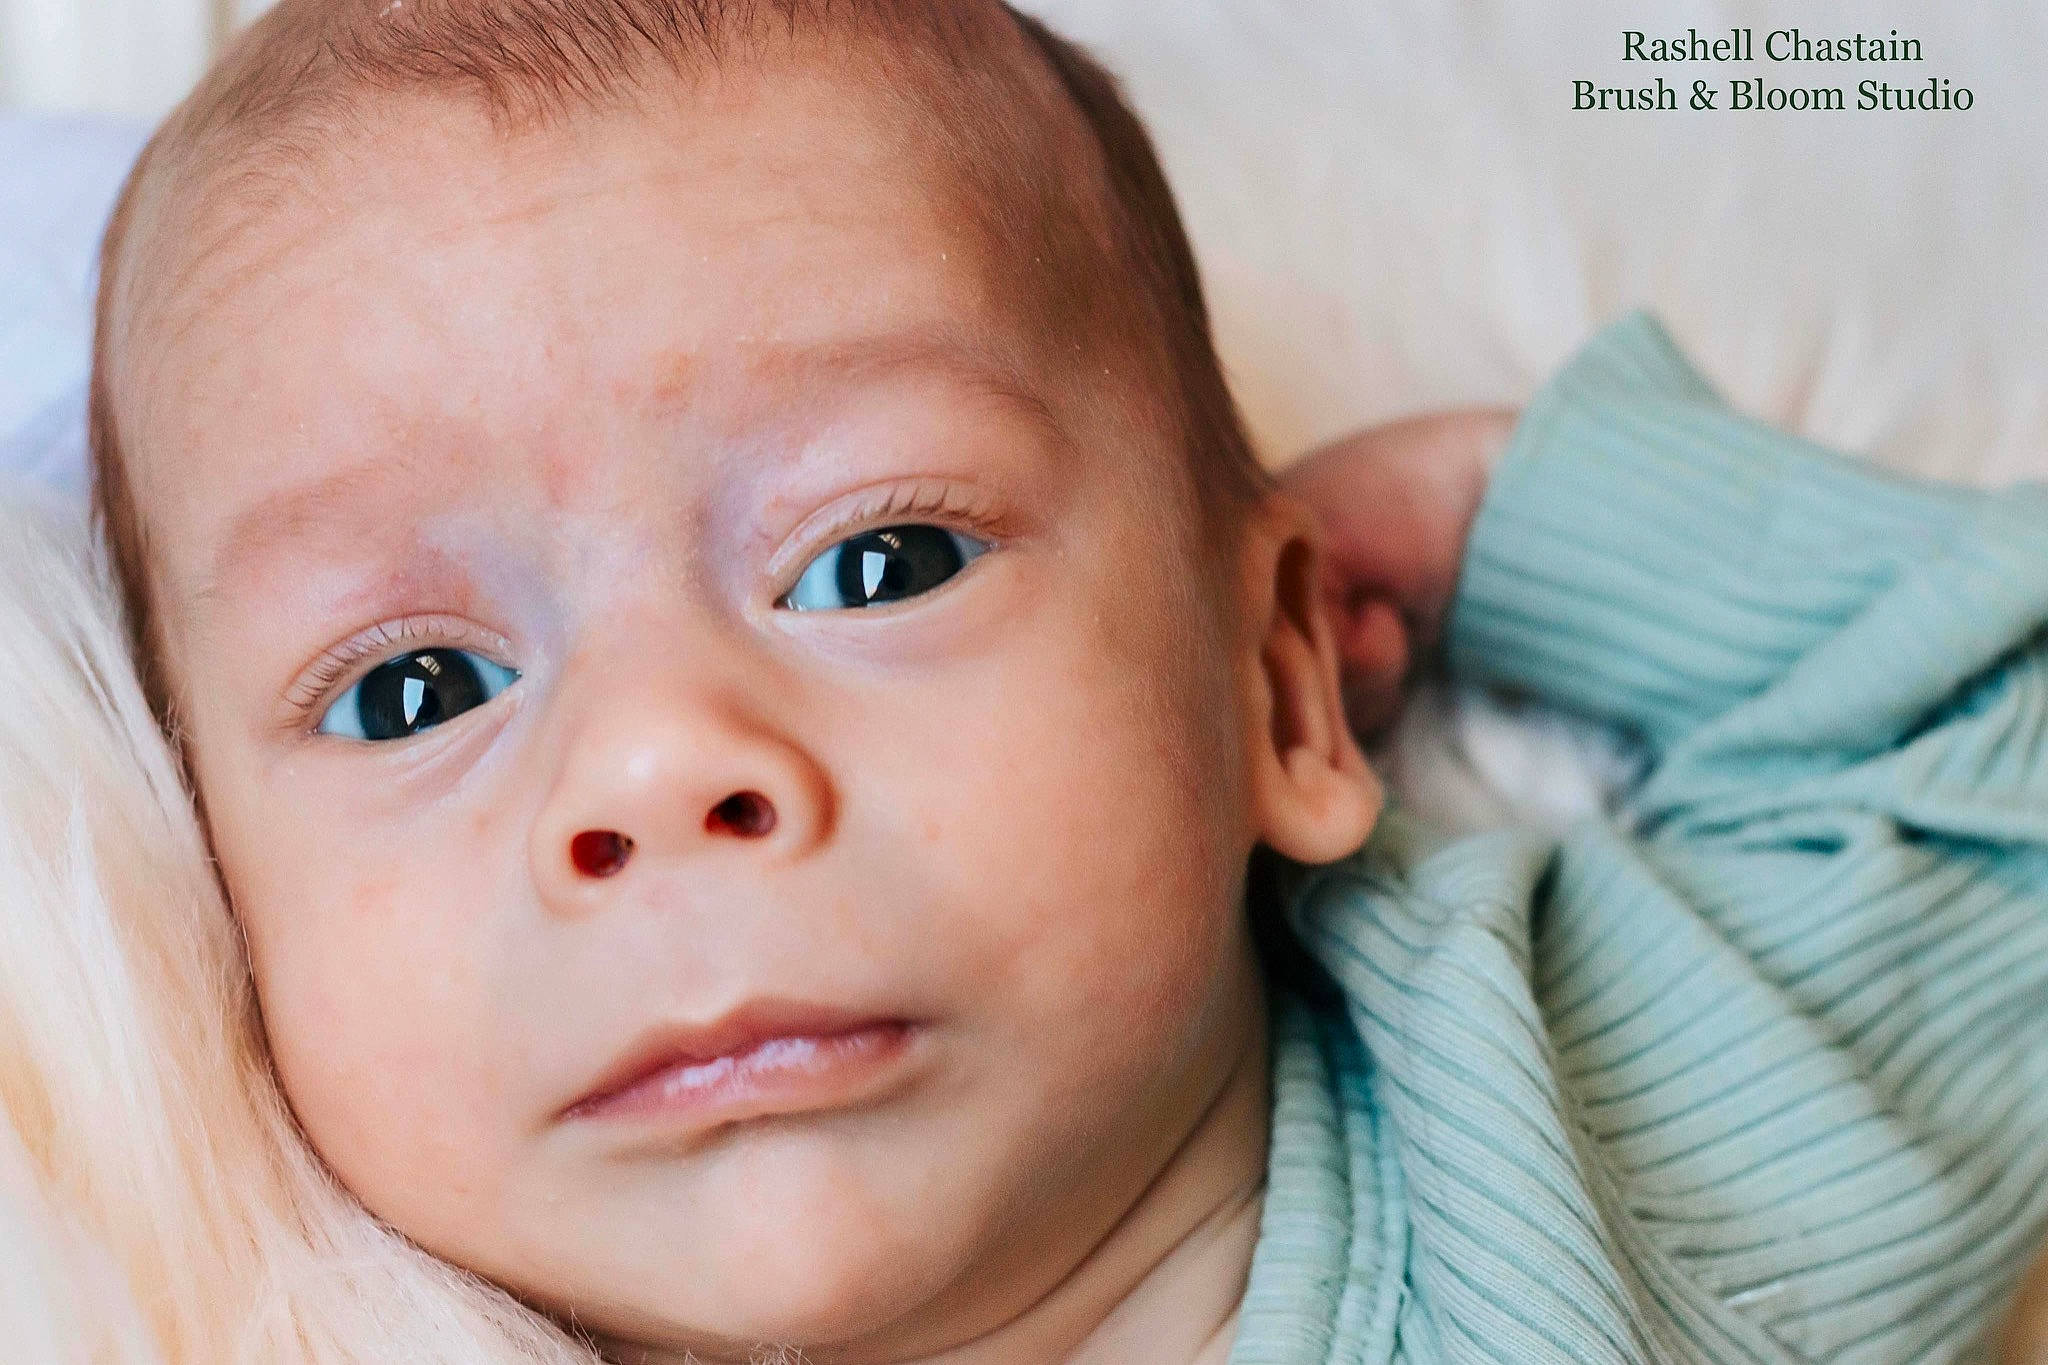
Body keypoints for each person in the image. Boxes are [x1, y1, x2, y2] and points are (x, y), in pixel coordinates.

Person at [46, 0, 2048, 1358]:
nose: (659, 760)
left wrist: (1509, 510)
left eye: (876, 556)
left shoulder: (1595, 1113)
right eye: (412, 688)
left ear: (1278, 690)